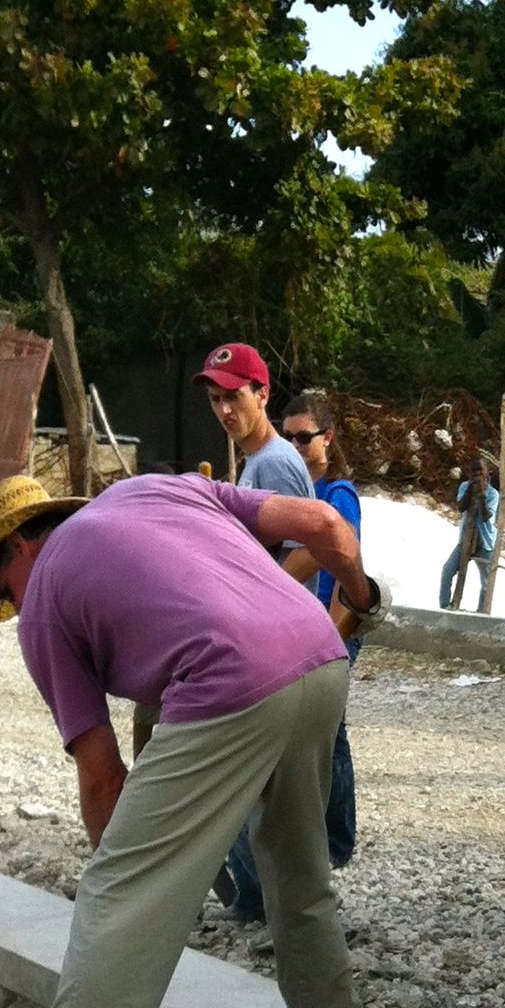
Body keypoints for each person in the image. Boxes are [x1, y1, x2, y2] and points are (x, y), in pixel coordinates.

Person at [0, 468, 387, 1008]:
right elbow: (325, 526)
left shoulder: (45, 601)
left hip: (229, 678)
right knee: (296, 864)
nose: (13, 608)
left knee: (119, 898)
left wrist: (123, 895)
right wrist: (361, 599)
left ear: (19, 545)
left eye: (3, 590)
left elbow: (102, 775)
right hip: (320, 654)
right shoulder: (159, 489)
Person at [222, 392, 371, 924]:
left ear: (327, 439)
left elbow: (337, 556)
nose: (295, 446)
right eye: (289, 436)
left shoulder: (337, 494)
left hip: (333, 624)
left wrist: (331, 634)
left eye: (304, 437)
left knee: (330, 741)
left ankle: (335, 840)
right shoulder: (286, 480)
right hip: (306, 626)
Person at [196, 342, 313, 501]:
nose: (224, 410)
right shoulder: (260, 458)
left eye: (233, 396)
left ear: (262, 396)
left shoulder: (274, 463)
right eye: (215, 398)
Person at [438, 455, 501, 612]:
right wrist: (471, 489)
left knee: (486, 582)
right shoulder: (464, 487)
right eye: (473, 471)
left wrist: (481, 495)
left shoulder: (493, 494)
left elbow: (486, 516)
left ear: (487, 472)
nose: (477, 474)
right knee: (447, 570)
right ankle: (445, 606)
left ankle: (481, 612)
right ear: (469, 473)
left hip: (484, 542)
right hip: (465, 539)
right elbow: (461, 507)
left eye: (480, 470)